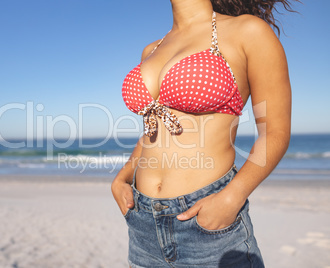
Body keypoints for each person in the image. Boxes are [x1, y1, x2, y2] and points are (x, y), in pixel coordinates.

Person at [112, 0, 295, 267]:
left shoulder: (248, 31)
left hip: (207, 224)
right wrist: (122, 177)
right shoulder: (151, 49)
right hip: (143, 224)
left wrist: (232, 197)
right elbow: (153, 130)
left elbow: (275, 132)